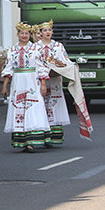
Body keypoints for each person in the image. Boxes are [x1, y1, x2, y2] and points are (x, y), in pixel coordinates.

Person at [1, 22, 51, 153]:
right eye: (22, 33)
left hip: (32, 80)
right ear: (18, 34)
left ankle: (31, 141)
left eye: (27, 33)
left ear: (30, 34)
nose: (24, 35)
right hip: (18, 81)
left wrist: (43, 85)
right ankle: (22, 141)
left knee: (33, 106)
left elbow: (42, 67)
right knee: (19, 107)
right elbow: (8, 69)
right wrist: (5, 86)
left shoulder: (36, 49)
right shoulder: (12, 50)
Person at [35, 19, 70, 147]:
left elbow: (65, 60)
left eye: (49, 30)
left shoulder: (58, 46)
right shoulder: (36, 47)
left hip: (55, 80)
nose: (47, 32)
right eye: (45, 30)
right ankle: (43, 135)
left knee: (53, 105)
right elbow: (34, 63)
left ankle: (53, 136)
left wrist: (61, 66)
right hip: (40, 80)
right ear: (41, 33)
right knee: (42, 105)